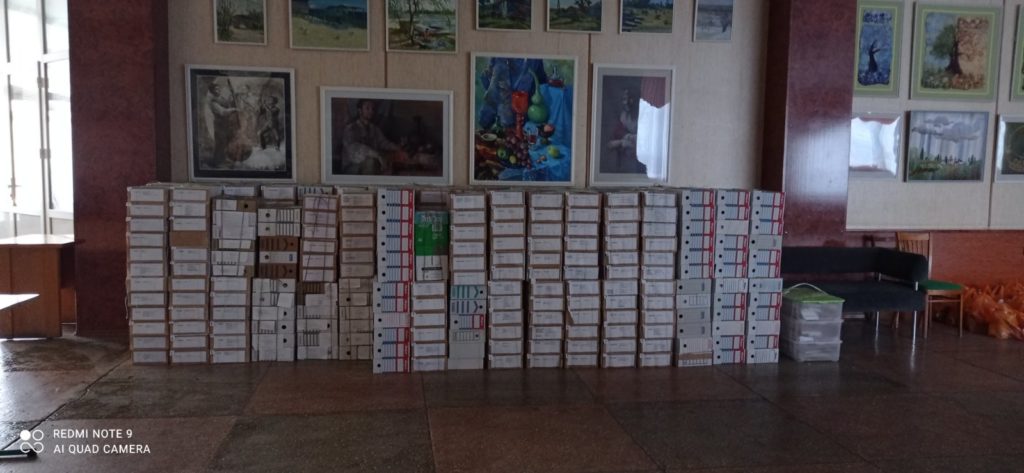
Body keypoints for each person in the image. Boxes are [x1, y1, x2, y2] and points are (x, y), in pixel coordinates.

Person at [340, 99, 406, 175]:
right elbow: (355, 147)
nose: (371, 111)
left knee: (388, 163)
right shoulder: (351, 128)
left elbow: (384, 143)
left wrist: (398, 148)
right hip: (352, 167)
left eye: (372, 109)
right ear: (360, 111)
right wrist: (377, 155)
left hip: (371, 162)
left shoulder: (374, 129)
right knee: (371, 162)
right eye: (367, 108)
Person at [605, 87, 646, 174]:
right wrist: (625, 138)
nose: (626, 102)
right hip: (628, 158)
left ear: (637, 100)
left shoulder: (644, 115)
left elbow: (647, 139)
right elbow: (617, 133)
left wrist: (625, 141)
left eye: (630, 98)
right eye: (624, 99)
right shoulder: (624, 116)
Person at [207, 81, 241, 165]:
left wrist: (233, 96)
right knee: (220, 143)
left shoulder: (222, 98)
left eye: (219, 89)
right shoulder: (213, 102)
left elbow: (228, 104)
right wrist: (234, 109)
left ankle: (225, 159)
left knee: (227, 141)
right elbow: (223, 112)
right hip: (219, 124)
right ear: (212, 91)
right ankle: (216, 162)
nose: (218, 90)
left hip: (226, 124)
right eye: (216, 89)